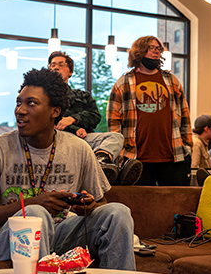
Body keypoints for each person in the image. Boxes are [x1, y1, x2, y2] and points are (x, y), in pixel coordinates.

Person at [0, 67, 135, 271]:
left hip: (62, 232)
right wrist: (32, 203)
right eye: (19, 102)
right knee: (35, 214)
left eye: (31, 103)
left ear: (55, 111)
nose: (20, 110)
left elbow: (102, 203)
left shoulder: (79, 149)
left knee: (118, 212)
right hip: (8, 238)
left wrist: (89, 207)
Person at [107, 36, 193, 186]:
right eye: (151, 48)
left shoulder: (172, 81)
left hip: (173, 157)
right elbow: (113, 122)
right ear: (139, 52)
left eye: (159, 49)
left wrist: (187, 147)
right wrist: (121, 153)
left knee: (176, 205)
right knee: (140, 206)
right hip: (135, 159)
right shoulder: (123, 83)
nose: (157, 52)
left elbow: (185, 115)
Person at [49, 51, 142, 186]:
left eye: (60, 64)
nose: (55, 68)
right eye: (52, 65)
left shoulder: (82, 95)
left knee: (116, 137)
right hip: (59, 139)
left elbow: (95, 116)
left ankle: (101, 163)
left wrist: (73, 119)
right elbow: (51, 119)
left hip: (83, 140)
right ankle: (118, 172)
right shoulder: (43, 96)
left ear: (70, 72)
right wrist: (75, 128)